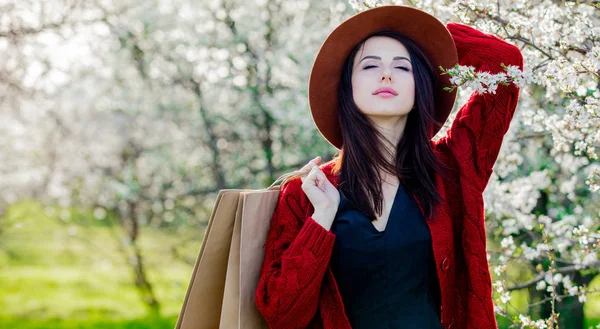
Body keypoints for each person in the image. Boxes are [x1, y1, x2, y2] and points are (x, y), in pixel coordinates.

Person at [255, 5, 523, 329]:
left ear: (421, 84)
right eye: (369, 65)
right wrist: (320, 220)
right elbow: (281, 316)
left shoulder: (452, 168)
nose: (386, 74)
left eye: (403, 66)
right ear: (347, 87)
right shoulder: (306, 194)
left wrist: (431, 36)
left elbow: (505, 66)